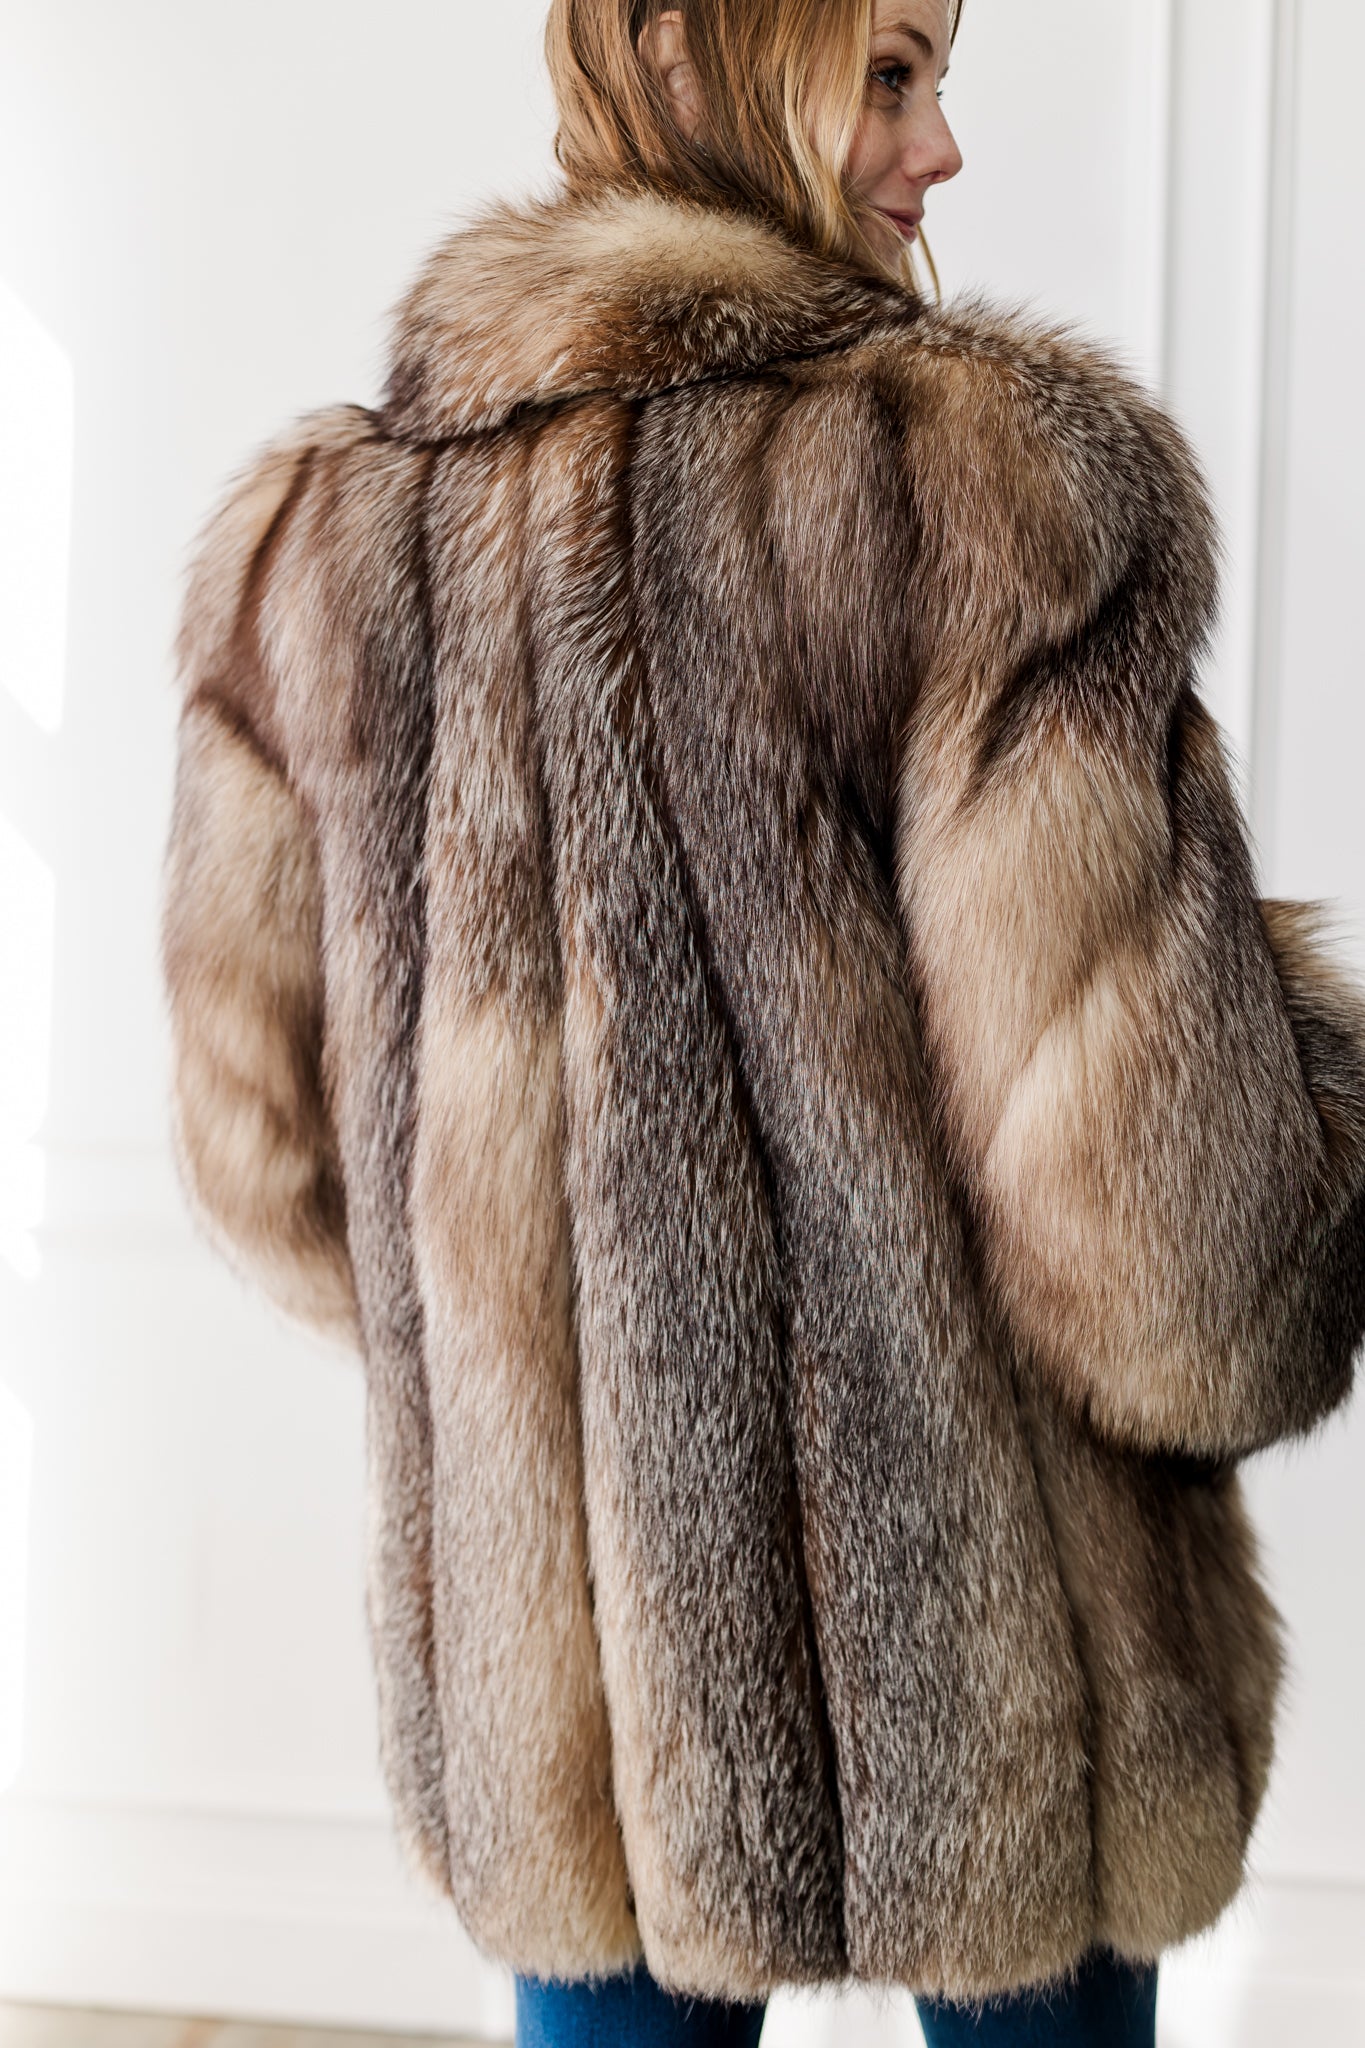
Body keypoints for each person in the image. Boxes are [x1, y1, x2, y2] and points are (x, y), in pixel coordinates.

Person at [159, 0, 1365, 2043]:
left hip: (580, 1663)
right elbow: (1159, 1231)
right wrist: (1314, 1153)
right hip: (992, 1633)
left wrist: (551, 1340)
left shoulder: (320, 542)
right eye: (889, 71)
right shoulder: (986, 487)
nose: (941, 145)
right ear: (679, 50)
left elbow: (261, 1161)